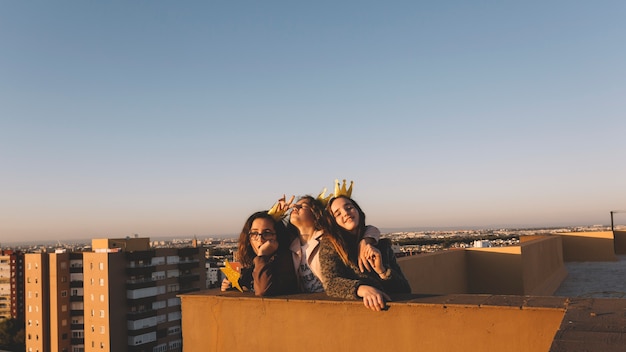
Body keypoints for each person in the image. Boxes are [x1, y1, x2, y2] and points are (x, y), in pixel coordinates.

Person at [320, 194, 411, 311]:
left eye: (348, 208)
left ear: (358, 210)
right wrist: (361, 289)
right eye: (338, 214)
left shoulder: (382, 246)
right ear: (334, 222)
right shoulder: (332, 246)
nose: (345, 213)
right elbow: (331, 283)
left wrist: (382, 271)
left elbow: (405, 290)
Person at [276, 194, 382, 293]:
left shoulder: (328, 238)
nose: (295, 208)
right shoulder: (292, 245)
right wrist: (277, 215)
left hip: (334, 298)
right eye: (294, 206)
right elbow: (268, 235)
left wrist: (365, 241)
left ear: (315, 213)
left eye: (302, 206)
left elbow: (370, 229)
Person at [220, 210, 299, 296]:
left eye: (267, 233)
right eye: (254, 233)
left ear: (278, 236)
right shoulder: (250, 264)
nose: (260, 239)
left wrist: (262, 256)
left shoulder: (286, 261)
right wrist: (230, 286)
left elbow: (263, 290)